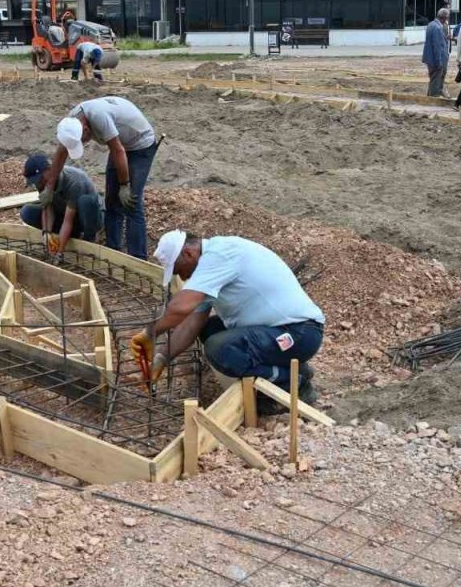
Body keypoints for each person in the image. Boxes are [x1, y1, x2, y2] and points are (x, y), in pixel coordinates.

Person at [130, 230, 325, 408]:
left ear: (189, 253)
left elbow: (179, 308)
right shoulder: (211, 266)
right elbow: (191, 325)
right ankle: (291, 368)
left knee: (219, 347)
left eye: (178, 269)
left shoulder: (219, 255)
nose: (182, 276)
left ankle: (293, 384)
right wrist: (161, 358)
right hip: (278, 332)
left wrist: (149, 334)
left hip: (299, 333)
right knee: (208, 328)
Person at [49, 97, 157, 260]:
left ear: (85, 129)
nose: (85, 143)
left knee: (131, 203)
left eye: (83, 141)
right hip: (120, 145)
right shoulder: (70, 123)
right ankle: (112, 252)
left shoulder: (99, 117)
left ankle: (138, 258)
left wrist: (124, 185)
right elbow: (61, 152)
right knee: (112, 201)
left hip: (139, 144)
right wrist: (50, 187)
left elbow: (118, 150)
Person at [19, 152, 103, 256]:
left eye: (40, 179)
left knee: (85, 202)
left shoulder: (74, 181)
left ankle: (89, 238)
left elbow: (68, 220)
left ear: (49, 169)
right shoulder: (42, 182)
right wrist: (46, 233)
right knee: (27, 212)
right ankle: (72, 235)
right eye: (36, 181)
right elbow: (48, 207)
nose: (39, 183)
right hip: (64, 213)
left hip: (88, 217)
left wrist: (60, 252)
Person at [421, 8, 451, 98]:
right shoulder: (437, 28)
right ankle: (434, 96)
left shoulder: (431, 24)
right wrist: (439, 61)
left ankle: (432, 93)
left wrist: (445, 37)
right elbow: (437, 46)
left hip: (430, 57)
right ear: (445, 18)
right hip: (435, 58)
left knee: (434, 77)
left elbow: (436, 41)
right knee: (436, 77)